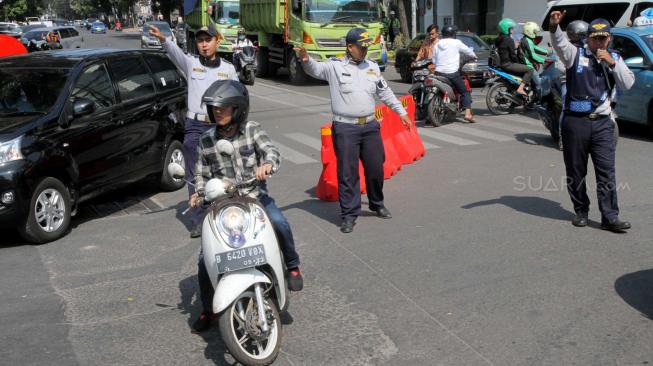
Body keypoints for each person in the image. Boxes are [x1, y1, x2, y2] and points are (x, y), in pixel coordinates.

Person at [189, 80, 303, 332]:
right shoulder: (206, 140)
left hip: (254, 199)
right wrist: (198, 193)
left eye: (224, 107)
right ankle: (208, 309)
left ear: (238, 108)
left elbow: (271, 151)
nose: (218, 112)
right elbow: (200, 173)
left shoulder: (252, 129)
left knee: (279, 222)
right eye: (215, 108)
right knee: (204, 260)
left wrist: (267, 165)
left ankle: (293, 266)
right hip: (222, 207)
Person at [294, 28, 412, 233]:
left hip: (370, 125)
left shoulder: (373, 67)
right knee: (348, 173)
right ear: (350, 47)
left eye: (366, 47)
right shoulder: (335, 66)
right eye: (361, 47)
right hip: (345, 127)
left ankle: (376, 203)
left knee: (376, 168)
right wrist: (305, 59)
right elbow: (315, 69)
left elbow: (385, 93)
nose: (364, 50)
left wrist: (401, 112)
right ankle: (349, 214)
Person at [149, 23, 238, 238]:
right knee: (193, 174)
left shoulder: (228, 69)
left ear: (217, 41)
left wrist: (235, 124)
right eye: (200, 40)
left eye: (208, 40)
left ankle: (226, 214)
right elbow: (175, 53)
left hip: (219, 126)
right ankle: (199, 220)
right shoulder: (191, 64)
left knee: (222, 170)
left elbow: (237, 98)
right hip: (195, 126)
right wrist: (164, 39)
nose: (204, 44)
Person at [549, 11, 634, 232]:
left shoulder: (614, 57)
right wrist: (554, 27)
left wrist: (613, 64)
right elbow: (559, 43)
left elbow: (628, 84)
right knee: (576, 170)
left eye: (603, 37)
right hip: (575, 123)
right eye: (595, 38)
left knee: (606, 172)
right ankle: (581, 211)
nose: (599, 41)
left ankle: (610, 217)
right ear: (588, 38)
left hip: (603, 124)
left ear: (610, 38)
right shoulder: (573, 54)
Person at [432, 25, 476, 122]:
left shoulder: (437, 44)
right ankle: (468, 114)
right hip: (452, 74)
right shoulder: (456, 42)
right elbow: (468, 51)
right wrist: (474, 55)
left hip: (438, 73)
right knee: (465, 92)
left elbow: (434, 60)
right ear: (453, 34)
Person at [496, 18, 535, 97]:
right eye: (512, 28)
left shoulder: (499, 39)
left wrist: (514, 46)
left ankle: (515, 99)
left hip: (503, 64)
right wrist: (518, 62)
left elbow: (505, 50)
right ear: (507, 29)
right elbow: (513, 55)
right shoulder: (508, 39)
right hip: (508, 64)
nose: (513, 30)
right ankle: (520, 89)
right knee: (530, 70)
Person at [519, 21, 549, 93]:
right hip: (527, 64)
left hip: (524, 63)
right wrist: (544, 61)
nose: (536, 33)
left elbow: (534, 48)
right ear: (530, 31)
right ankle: (540, 100)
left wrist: (547, 52)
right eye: (534, 31)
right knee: (539, 83)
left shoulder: (526, 39)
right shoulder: (527, 41)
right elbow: (533, 55)